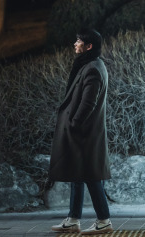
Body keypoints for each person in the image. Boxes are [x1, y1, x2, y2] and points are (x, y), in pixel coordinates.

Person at [49, 28, 113, 235]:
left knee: (91, 177)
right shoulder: (90, 65)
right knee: (78, 174)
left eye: (78, 41)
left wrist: (74, 123)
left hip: (85, 133)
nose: (75, 44)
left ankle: (104, 221)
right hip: (84, 133)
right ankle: (73, 219)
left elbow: (88, 102)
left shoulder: (93, 68)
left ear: (89, 46)